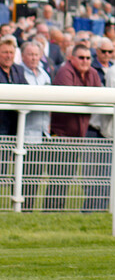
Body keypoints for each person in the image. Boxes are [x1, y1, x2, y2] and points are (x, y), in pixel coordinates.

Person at [51, 44, 102, 211]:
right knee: (59, 179)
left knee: (68, 177)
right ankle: (51, 211)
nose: (85, 61)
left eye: (88, 58)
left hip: (80, 135)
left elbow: (100, 96)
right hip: (62, 135)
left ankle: (57, 211)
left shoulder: (93, 73)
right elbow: (72, 98)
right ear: (71, 58)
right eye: (81, 57)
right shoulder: (65, 71)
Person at [20, 41, 51, 211]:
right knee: (23, 174)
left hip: (42, 133)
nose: (33, 58)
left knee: (36, 174)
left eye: (36, 55)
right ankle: (21, 206)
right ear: (23, 56)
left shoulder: (44, 75)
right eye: (30, 55)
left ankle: (29, 208)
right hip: (25, 132)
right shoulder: (20, 73)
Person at [0, 36, 26, 137]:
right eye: (5, 52)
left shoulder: (19, 70)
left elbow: (27, 91)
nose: (9, 56)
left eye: (11, 52)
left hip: (15, 123)